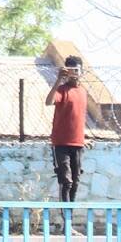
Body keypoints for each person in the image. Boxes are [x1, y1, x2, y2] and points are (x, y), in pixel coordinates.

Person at [45, 55, 88, 232]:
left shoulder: (83, 92)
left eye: (76, 70)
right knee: (66, 181)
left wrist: (85, 138)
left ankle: (68, 222)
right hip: (61, 143)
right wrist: (58, 81)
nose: (73, 74)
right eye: (70, 70)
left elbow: (78, 118)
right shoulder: (62, 90)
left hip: (77, 143)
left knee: (76, 181)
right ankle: (67, 223)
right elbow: (48, 102)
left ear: (82, 72)